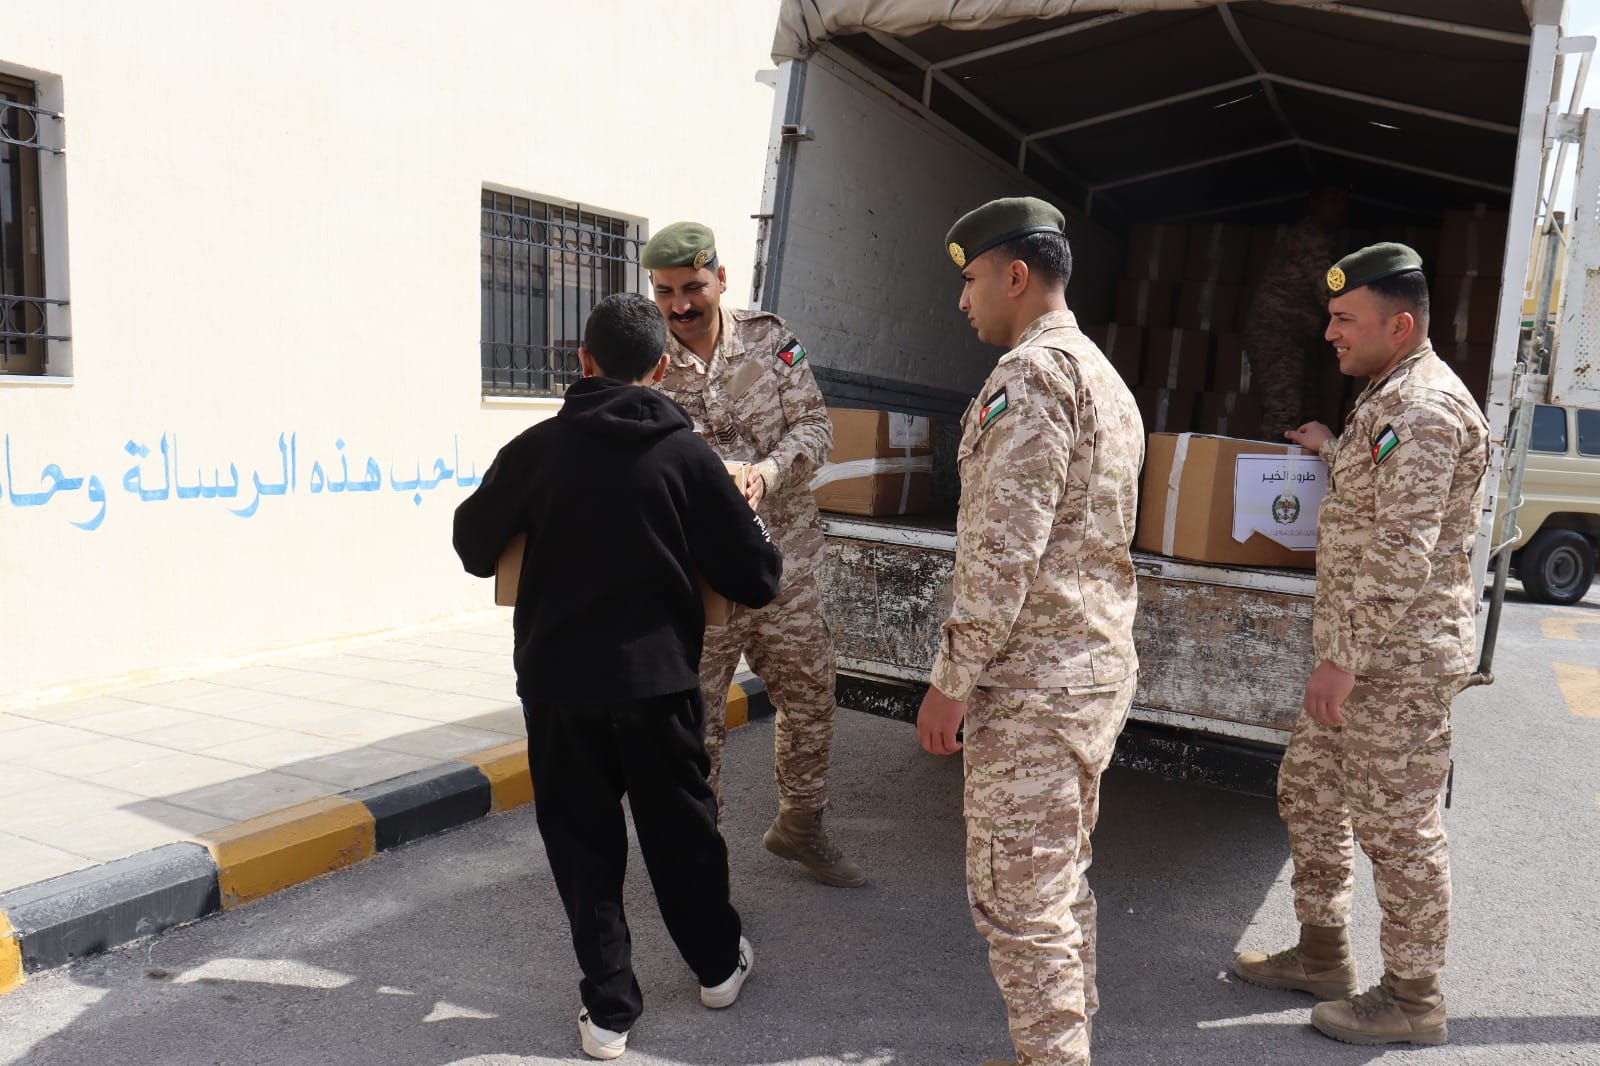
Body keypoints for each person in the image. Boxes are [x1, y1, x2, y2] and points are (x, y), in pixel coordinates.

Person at [452, 293, 782, 1060]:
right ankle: (717, 967)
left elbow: (472, 545)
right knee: (682, 834)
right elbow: (757, 576)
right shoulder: (688, 459)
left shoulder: (534, 451)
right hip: (657, 687)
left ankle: (608, 1012)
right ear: (662, 368)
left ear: (583, 361)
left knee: (583, 849)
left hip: (557, 688)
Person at [1233, 243, 1489, 1047]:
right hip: (1365, 653)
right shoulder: (1390, 398)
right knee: (1308, 791)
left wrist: (1342, 661)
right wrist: (1329, 446)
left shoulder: (1423, 409)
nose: (1329, 334)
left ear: (1399, 325)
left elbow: (1404, 548)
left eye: (1344, 319)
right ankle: (1322, 955)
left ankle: (1413, 998)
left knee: (1398, 830)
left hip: (1394, 663)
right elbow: (1385, 485)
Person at [917, 197, 1144, 1066]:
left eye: (970, 280)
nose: (961, 300)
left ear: (1015, 277)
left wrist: (950, 681)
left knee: (1019, 902)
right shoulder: (1102, 377)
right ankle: (1055, 1047)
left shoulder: (1032, 377)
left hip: (1035, 685)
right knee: (1058, 881)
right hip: (1085, 671)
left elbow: (1003, 551)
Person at [642, 221, 865, 888]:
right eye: (665, 292)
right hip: (700, 580)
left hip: (784, 567)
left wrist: (767, 473)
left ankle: (801, 826)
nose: (681, 305)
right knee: (697, 727)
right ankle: (701, 868)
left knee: (811, 699)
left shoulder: (768, 340)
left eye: (692, 287)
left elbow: (816, 427)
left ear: (721, 278)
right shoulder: (648, 360)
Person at [1245, 186, 1348, 438]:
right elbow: (1328, 290)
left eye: (1342, 200)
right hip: (1277, 334)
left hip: (1298, 337)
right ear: (1314, 202)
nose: (1339, 207)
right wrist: (1361, 319)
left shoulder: (1324, 239)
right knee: (1284, 413)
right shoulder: (1311, 238)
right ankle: (1270, 464)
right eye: (1332, 198)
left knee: (1307, 415)